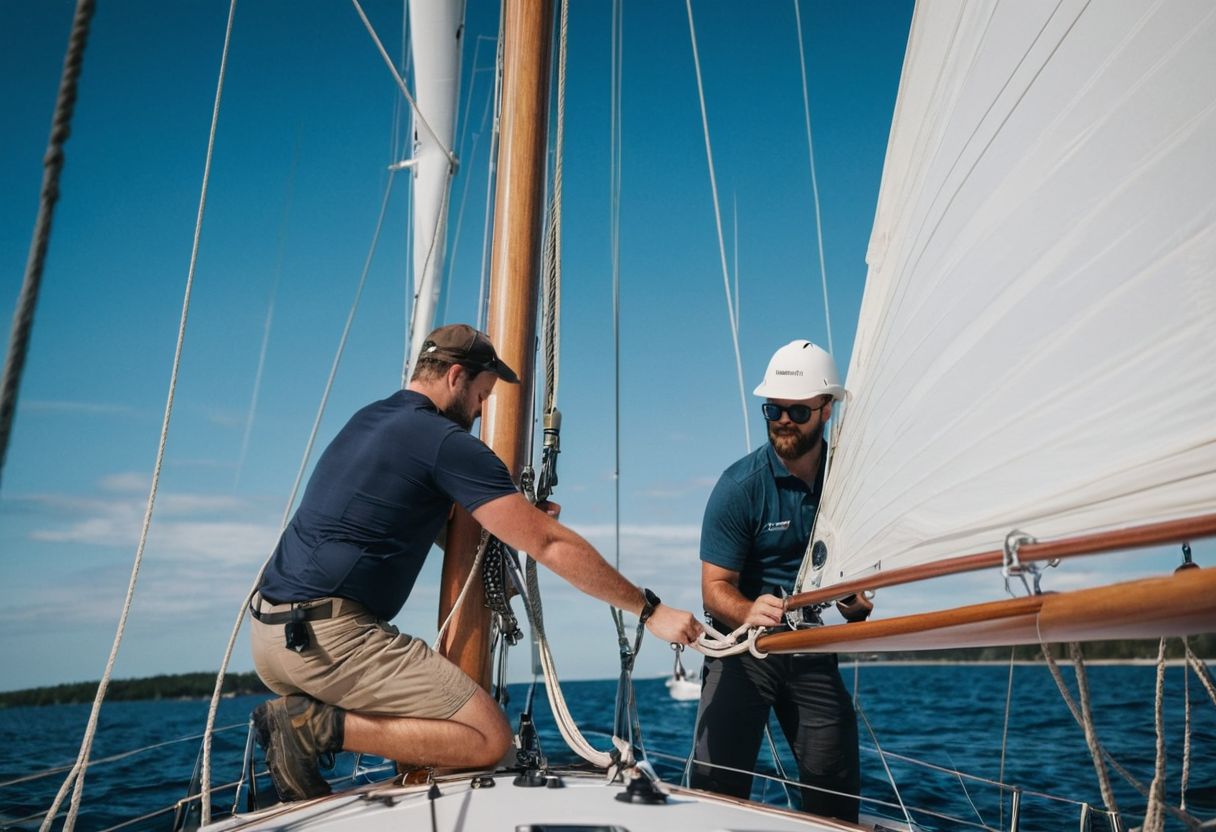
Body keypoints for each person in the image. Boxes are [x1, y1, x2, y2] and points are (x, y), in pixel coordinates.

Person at [248, 323, 703, 802]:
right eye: (482, 396)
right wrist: (650, 611)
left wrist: (509, 517)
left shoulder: (369, 420)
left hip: (272, 639)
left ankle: (310, 726)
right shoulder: (444, 440)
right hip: (332, 640)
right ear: (456, 377)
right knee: (489, 739)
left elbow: (408, 516)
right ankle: (308, 726)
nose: (483, 411)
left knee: (438, 721)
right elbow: (549, 545)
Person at [690, 339, 872, 822]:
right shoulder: (739, 488)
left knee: (836, 798)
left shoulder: (846, 484)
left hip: (812, 648)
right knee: (715, 793)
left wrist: (854, 601)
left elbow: (858, 602)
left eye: (797, 410)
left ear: (825, 410)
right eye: (774, 409)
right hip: (743, 650)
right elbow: (715, 589)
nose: (784, 420)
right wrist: (749, 610)